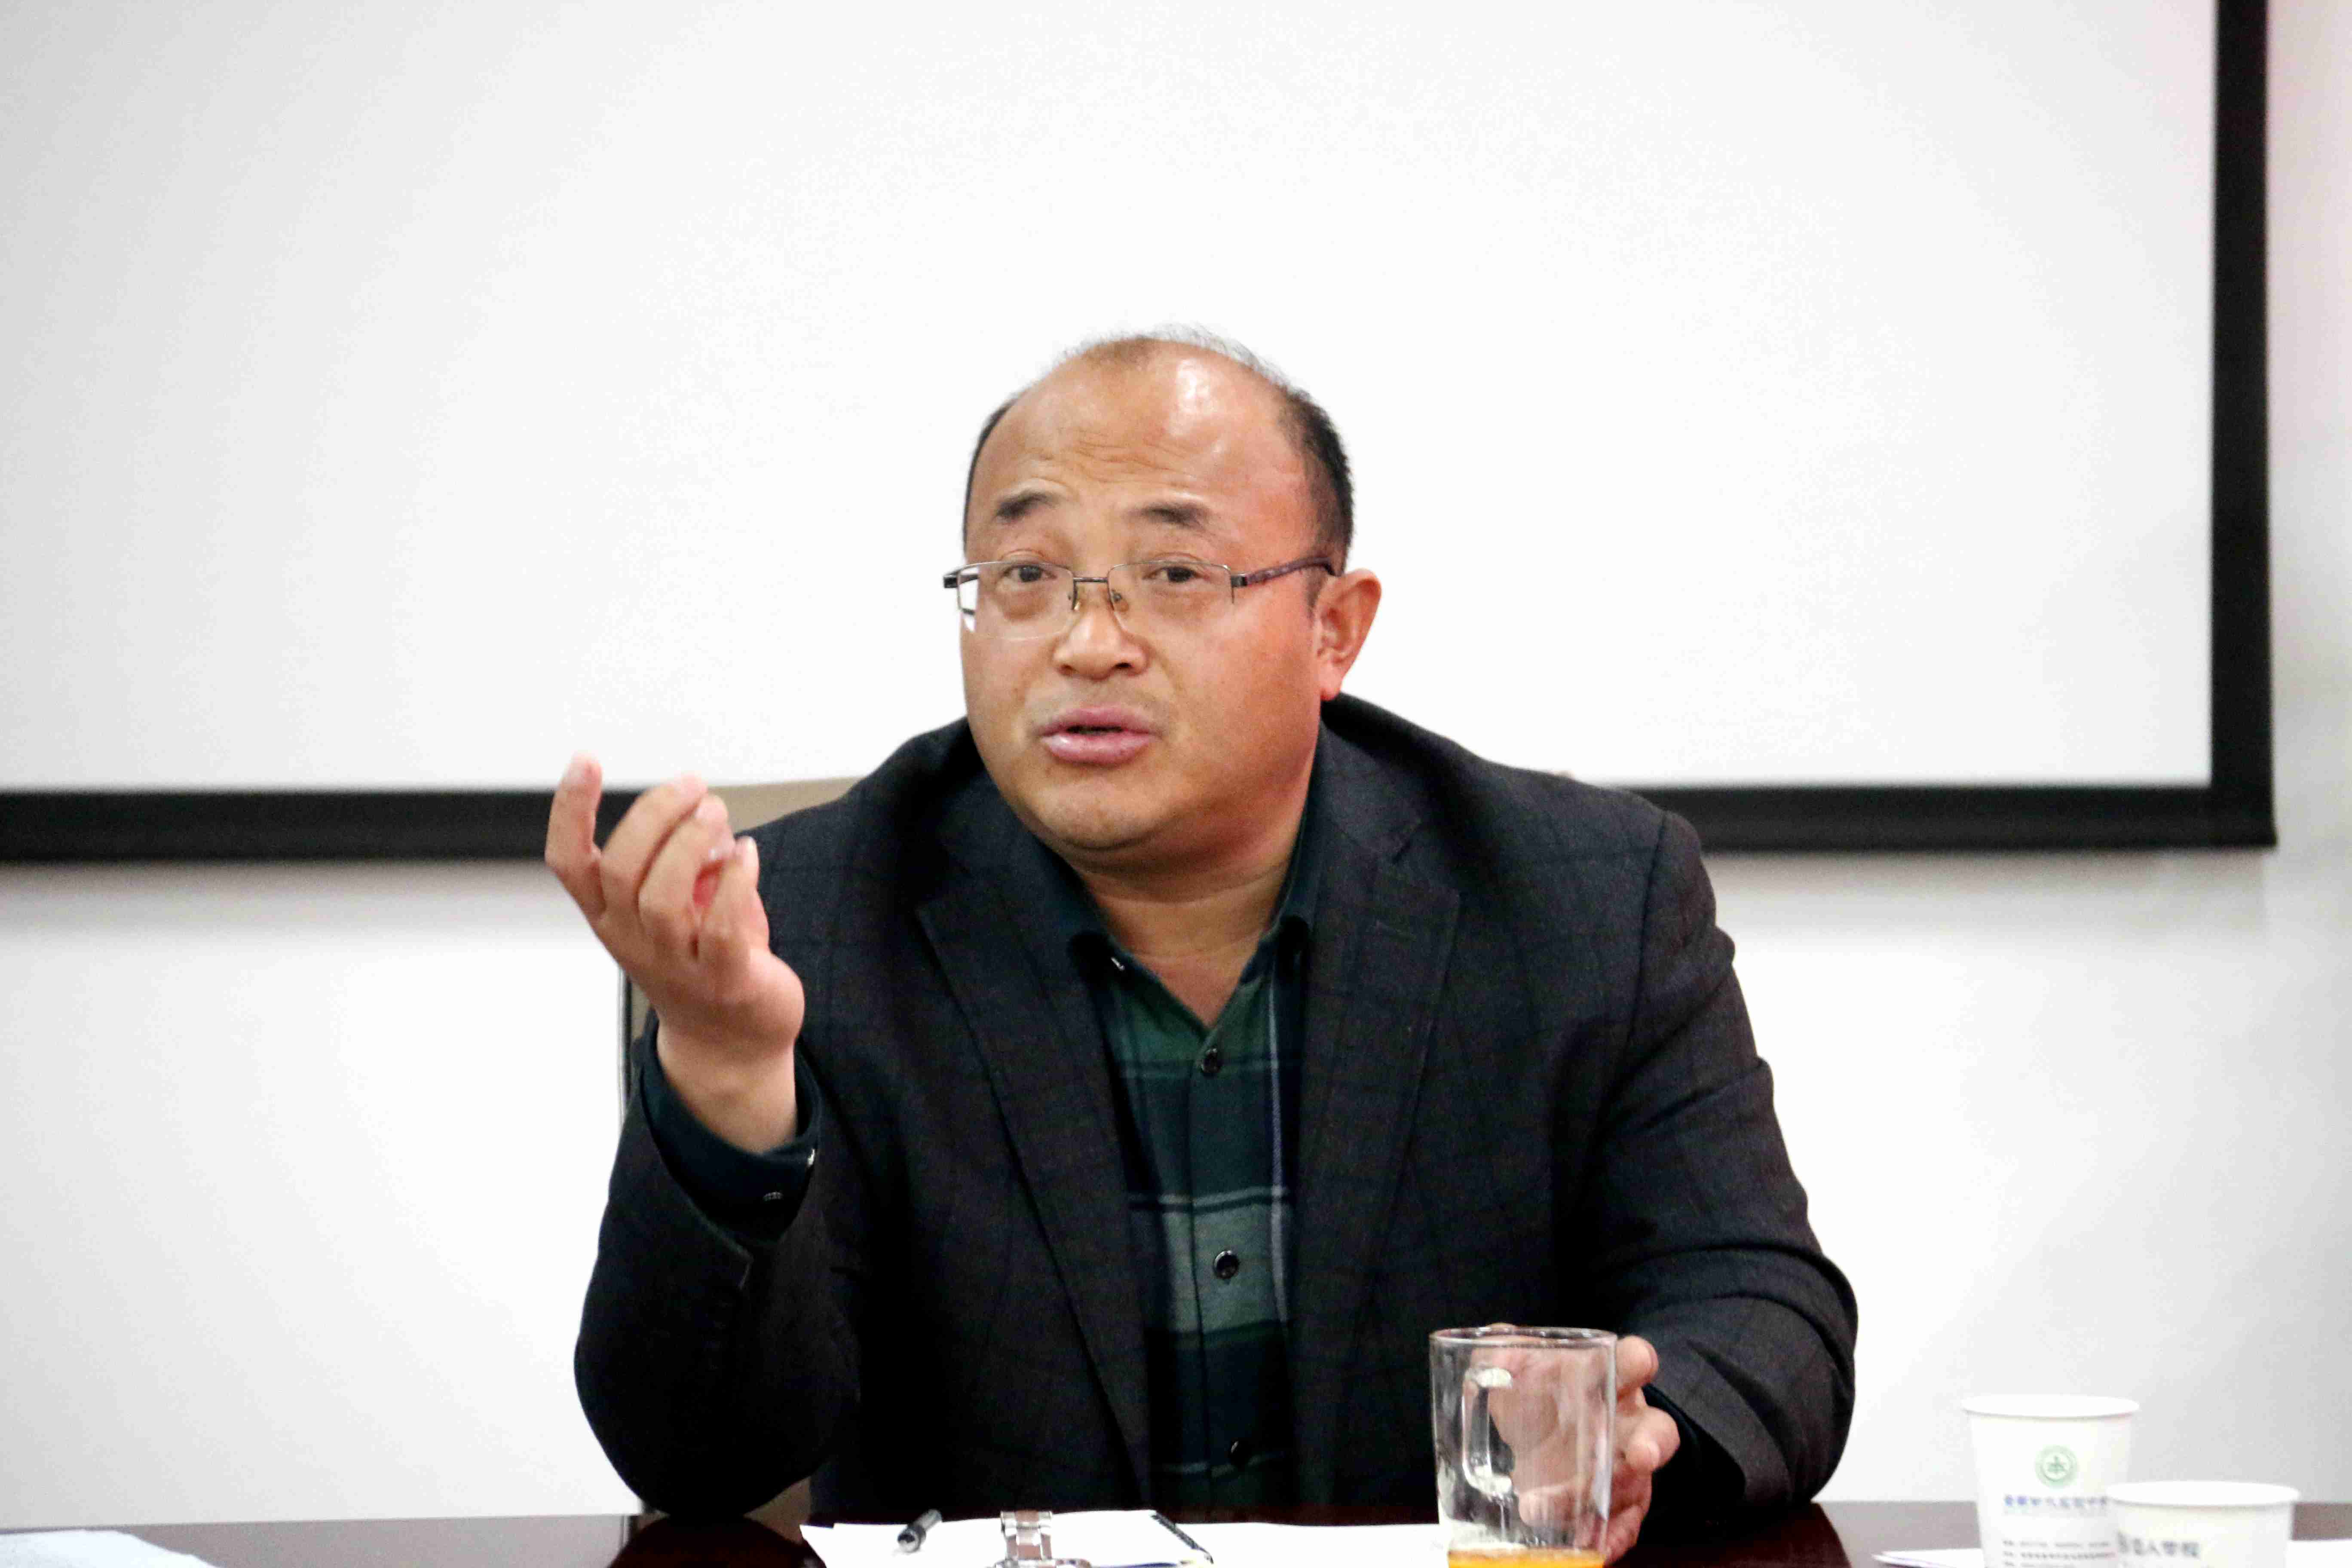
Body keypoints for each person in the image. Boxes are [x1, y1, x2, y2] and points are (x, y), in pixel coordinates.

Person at [548, 332, 1856, 1554]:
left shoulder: (1585, 897)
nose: (1087, 644)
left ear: (1335, 629)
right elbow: (700, 1462)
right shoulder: (813, 919)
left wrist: (1645, 1430)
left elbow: (1762, 1305)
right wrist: (726, 1067)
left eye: (1174, 575)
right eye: (1026, 577)